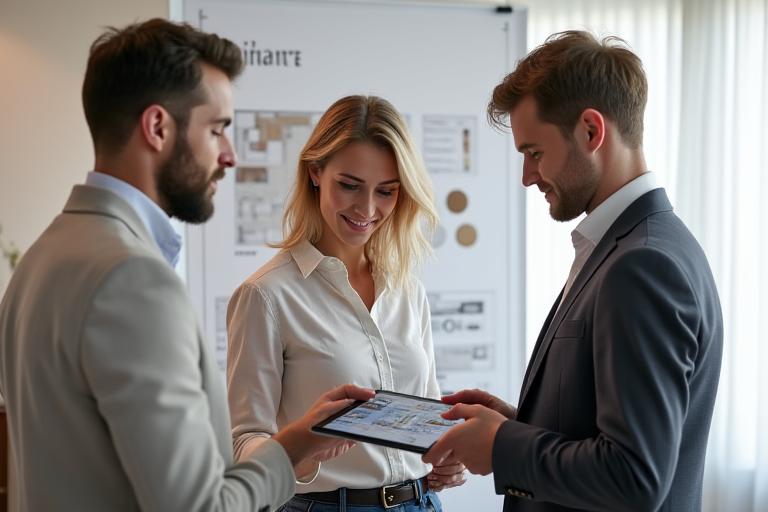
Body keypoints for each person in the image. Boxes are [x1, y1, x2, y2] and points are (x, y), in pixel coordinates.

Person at [0, 19, 374, 512]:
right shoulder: (133, 281)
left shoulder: (39, 260)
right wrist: (291, 451)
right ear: (158, 128)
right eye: (217, 130)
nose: (230, 156)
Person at [422, 30, 723, 512]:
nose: (527, 177)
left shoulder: (643, 265)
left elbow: (634, 478)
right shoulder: (639, 245)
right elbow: (609, 434)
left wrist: (502, 446)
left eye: (534, 153)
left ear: (590, 131)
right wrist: (516, 425)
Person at [226, 95, 465, 512]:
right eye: (350, 185)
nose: (367, 209)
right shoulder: (266, 295)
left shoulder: (407, 288)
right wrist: (303, 447)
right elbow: (245, 443)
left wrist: (446, 456)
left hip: (421, 502)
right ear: (315, 172)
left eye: (386, 191)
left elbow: (427, 420)